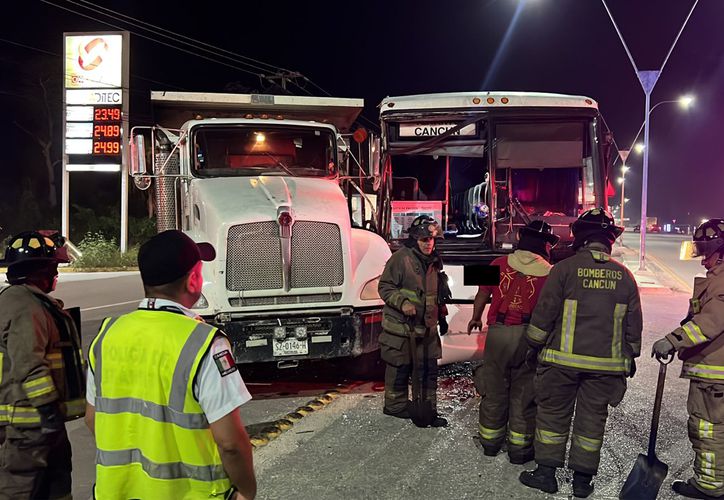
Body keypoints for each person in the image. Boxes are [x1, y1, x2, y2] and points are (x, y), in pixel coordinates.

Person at [85, 230, 256, 499]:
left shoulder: (108, 335)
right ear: (193, 281)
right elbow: (230, 443)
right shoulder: (204, 343)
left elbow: (93, 418)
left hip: (115, 493)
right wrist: (246, 492)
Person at [519, 208, 642, 498]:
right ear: (609, 240)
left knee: (552, 417)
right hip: (606, 369)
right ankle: (582, 482)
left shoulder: (564, 269)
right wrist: (630, 356)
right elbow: (633, 324)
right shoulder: (625, 277)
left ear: (581, 237)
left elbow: (545, 313)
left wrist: (532, 345)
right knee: (592, 422)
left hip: (560, 363)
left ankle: (546, 475)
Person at [0, 231, 86, 499]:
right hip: (27, 428)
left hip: (40, 426)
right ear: (40, 270)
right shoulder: (25, 306)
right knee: (20, 490)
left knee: (56, 488)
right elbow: (29, 363)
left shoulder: (32, 302)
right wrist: (48, 410)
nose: (56, 275)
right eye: (53, 268)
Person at [468, 220, 559, 464]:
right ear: (546, 245)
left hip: (497, 334)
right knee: (523, 393)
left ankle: (490, 443)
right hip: (529, 337)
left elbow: (481, 294)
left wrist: (476, 318)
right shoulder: (551, 273)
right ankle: (519, 450)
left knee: (495, 389)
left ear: (522, 238)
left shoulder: (498, 263)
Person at [652, 218, 724, 500]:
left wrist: (672, 340)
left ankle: (709, 486)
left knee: (707, 429)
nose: (703, 260)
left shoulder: (721, 282)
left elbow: (710, 322)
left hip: (715, 372)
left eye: (706, 252)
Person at [378, 215, 448, 427]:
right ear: (415, 239)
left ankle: (428, 410)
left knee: (428, 371)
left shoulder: (434, 261)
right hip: (402, 329)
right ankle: (395, 406)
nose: (429, 244)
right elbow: (385, 287)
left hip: (426, 328)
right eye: (424, 240)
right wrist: (402, 303)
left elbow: (437, 294)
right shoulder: (401, 259)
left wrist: (442, 317)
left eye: (432, 239)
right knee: (400, 367)